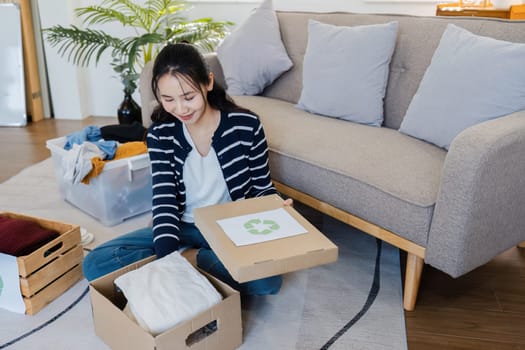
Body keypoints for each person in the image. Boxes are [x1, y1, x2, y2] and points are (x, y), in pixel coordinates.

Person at [82, 43, 290, 296]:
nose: (180, 109)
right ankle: (190, 263)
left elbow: (261, 186)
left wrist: (276, 208)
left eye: (188, 97)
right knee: (96, 262)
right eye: (168, 99)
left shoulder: (246, 125)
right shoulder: (161, 135)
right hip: (181, 226)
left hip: (230, 227)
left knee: (268, 284)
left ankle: (196, 260)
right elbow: (165, 200)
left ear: (208, 83)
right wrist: (168, 261)